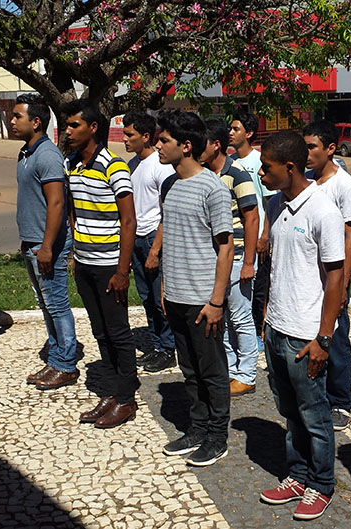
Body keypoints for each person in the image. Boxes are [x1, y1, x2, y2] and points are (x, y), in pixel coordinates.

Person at [257, 131, 344, 521]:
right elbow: (279, 269)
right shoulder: (276, 204)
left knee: (314, 414)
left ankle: (322, 484)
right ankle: (297, 475)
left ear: (289, 167)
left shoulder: (323, 210)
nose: (261, 173)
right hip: (277, 327)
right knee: (290, 411)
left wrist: (324, 337)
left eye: (267, 167)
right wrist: (266, 319)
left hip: (306, 335)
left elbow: (335, 279)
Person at [156, 111, 234, 466]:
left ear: (185, 146)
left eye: (164, 140)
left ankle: (218, 436)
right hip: (176, 296)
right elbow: (173, 240)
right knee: (188, 370)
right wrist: (165, 288)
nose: (158, 145)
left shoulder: (213, 188)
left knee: (212, 372)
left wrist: (217, 300)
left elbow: (226, 247)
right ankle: (198, 427)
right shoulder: (169, 185)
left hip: (204, 300)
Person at [63, 99, 139, 427]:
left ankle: (126, 399)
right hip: (84, 263)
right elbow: (73, 207)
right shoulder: (72, 164)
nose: (68, 131)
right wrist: (74, 249)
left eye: (74, 125)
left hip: (110, 267)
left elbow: (129, 221)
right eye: (66, 125)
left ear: (93, 128)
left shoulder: (114, 166)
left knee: (118, 332)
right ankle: (110, 392)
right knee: (99, 332)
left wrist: (122, 271)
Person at [10, 93, 80, 390]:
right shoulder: (26, 153)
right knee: (46, 304)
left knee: (57, 304)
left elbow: (57, 205)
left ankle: (66, 364)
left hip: (46, 245)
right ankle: (56, 358)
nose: (11, 121)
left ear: (35, 121)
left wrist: (48, 247)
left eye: (17, 116)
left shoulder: (47, 155)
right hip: (32, 243)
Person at [303, 120, 351, 431]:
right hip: (311, 275)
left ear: (330, 149)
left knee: (336, 338)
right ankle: (318, 393)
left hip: (334, 278)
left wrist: (343, 283)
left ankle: (341, 401)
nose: (307, 153)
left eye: (312, 147)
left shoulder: (344, 186)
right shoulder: (308, 182)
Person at [200, 119, 261, 397]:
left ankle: (247, 374)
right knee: (222, 316)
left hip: (237, 258)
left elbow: (252, 217)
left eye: (203, 143)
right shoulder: (205, 174)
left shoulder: (237, 174)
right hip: (216, 260)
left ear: (216, 145)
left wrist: (248, 262)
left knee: (241, 318)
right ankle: (231, 369)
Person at [122, 111, 177, 372]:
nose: (124, 139)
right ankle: (156, 346)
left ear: (146, 136)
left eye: (129, 134)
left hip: (154, 238)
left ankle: (168, 348)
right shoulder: (132, 166)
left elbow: (167, 211)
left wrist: (156, 249)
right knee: (145, 297)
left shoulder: (160, 165)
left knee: (159, 298)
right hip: (136, 239)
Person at [229, 112, 272, 352]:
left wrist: (264, 237)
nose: (231, 133)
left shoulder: (258, 162)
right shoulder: (231, 162)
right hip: (236, 239)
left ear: (249, 133)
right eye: (231, 128)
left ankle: (257, 333)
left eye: (236, 128)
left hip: (256, 239)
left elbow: (268, 204)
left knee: (258, 291)